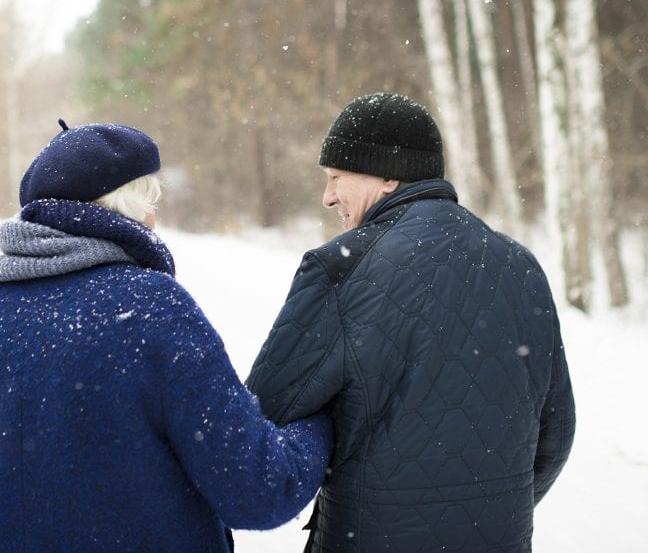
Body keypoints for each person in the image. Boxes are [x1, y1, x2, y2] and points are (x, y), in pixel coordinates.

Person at [0, 119, 331, 552]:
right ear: (128, 210)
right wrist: (318, 425)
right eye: (150, 201)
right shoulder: (153, 309)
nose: (153, 219)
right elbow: (258, 490)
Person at [246, 93, 575, 552]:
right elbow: (555, 435)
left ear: (387, 174)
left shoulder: (341, 268)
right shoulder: (520, 266)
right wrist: (479, 517)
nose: (327, 197)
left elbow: (260, 422)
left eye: (337, 176)